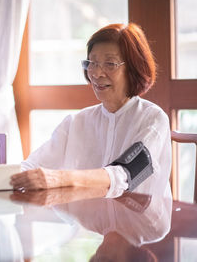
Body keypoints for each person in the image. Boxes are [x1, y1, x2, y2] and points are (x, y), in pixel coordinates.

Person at [10, 23, 172, 197]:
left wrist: (61, 178)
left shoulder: (153, 119)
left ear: (134, 68)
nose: (96, 73)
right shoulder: (75, 122)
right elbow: (31, 166)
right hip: (86, 223)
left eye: (110, 64)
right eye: (92, 63)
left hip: (139, 220)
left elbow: (126, 174)